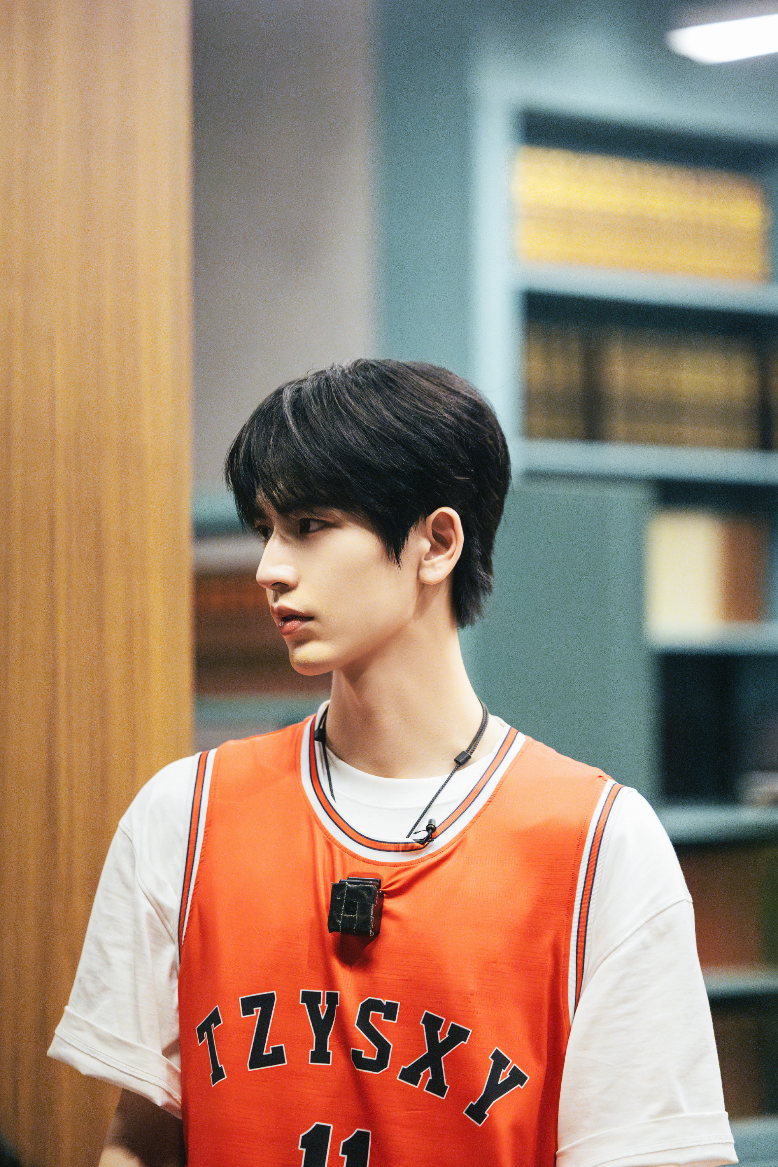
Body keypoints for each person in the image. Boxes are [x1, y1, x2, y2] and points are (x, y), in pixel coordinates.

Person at [50, 360, 736, 1167]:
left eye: (309, 525)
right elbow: (141, 1138)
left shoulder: (600, 845)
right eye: (266, 528)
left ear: (436, 542)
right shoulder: (184, 817)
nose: (270, 566)